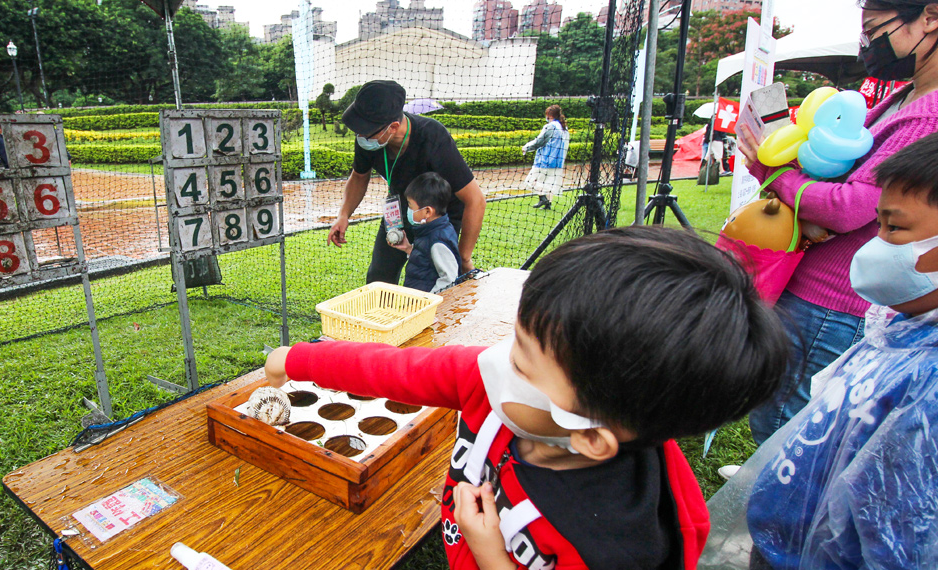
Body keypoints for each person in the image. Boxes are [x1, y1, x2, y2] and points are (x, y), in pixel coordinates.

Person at [265, 226, 789, 570]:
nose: (491, 359)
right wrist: (299, 359)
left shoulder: (616, 548)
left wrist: (492, 557)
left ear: (589, 436)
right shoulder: (498, 386)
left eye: (520, 360)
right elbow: (397, 368)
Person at [701, 133, 938, 570]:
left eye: (894, 228)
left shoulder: (930, 384)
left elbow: (904, 533)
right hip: (788, 539)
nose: (875, 244)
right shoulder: (897, 326)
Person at [734, 0, 938, 446]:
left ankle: (774, 493)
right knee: (782, 406)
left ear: (930, 16)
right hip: (815, 283)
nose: (867, 44)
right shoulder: (903, 97)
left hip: (834, 300)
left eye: (874, 28)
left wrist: (774, 174)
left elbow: (849, 207)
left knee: (788, 423)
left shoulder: (928, 114)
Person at [328, 80, 487, 284]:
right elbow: (359, 176)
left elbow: (475, 200)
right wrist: (343, 215)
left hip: (436, 219)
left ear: (393, 127)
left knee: (431, 282)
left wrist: (464, 257)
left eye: (365, 131)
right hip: (398, 212)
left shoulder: (432, 137)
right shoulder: (369, 139)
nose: (359, 135)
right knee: (379, 278)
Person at [390, 172, 462, 293]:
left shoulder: (438, 240)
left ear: (427, 211)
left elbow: (449, 279)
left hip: (428, 307)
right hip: (416, 300)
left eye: (411, 206)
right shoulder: (429, 230)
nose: (409, 210)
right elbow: (427, 261)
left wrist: (428, 301)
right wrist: (408, 249)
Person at [521, 105, 571, 209]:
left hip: (545, 160)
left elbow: (540, 141)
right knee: (548, 182)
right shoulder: (563, 127)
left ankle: (543, 198)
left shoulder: (550, 127)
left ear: (549, 115)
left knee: (531, 181)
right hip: (557, 161)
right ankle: (548, 203)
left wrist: (526, 147)